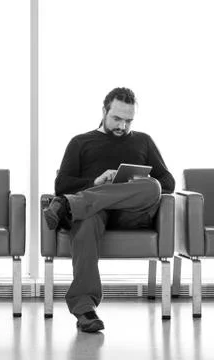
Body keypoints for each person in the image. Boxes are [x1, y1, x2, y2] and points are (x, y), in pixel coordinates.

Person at [44, 87, 175, 333]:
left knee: (153, 186)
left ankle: (71, 205)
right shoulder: (80, 142)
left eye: (128, 120)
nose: (122, 126)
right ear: (104, 111)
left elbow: (168, 183)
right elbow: (61, 185)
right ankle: (85, 310)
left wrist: (133, 185)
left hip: (132, 214)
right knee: (86, 220)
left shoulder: (143, 141)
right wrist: (96, 182)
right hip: (95, 213)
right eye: (117, 118)